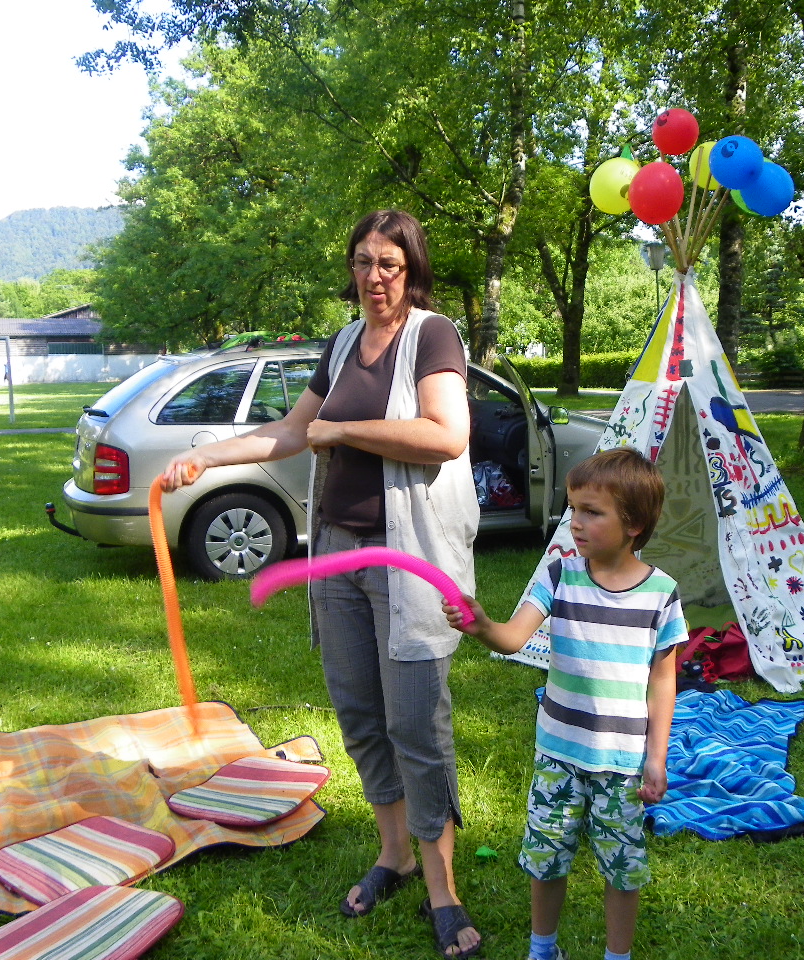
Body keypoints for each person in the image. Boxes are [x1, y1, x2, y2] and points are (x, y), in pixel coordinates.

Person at [158, 209, 482, 959]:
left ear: (411, 270)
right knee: (361, 716)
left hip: (408, 558)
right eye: (364, 262)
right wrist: (209, 456)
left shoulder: (433, 336)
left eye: (389, 264)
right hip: (337, 555)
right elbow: (293, 431)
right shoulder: (342, 345)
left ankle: (443, 889)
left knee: (416, 725)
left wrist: (345, 432)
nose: (374, 277)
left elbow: (446, 435)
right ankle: (394, 856)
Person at [443, 448, 685, 960]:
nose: (575, 522)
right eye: (573, 508)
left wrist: (657, 757)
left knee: (622, 869)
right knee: (546, 860)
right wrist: (481, 626)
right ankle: (543, 949)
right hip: (558, 754)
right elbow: (513, 638)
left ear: (634, 525)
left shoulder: (661, 593)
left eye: (592, 512)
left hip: (621, 764)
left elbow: (663, 680)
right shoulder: (559, 575)